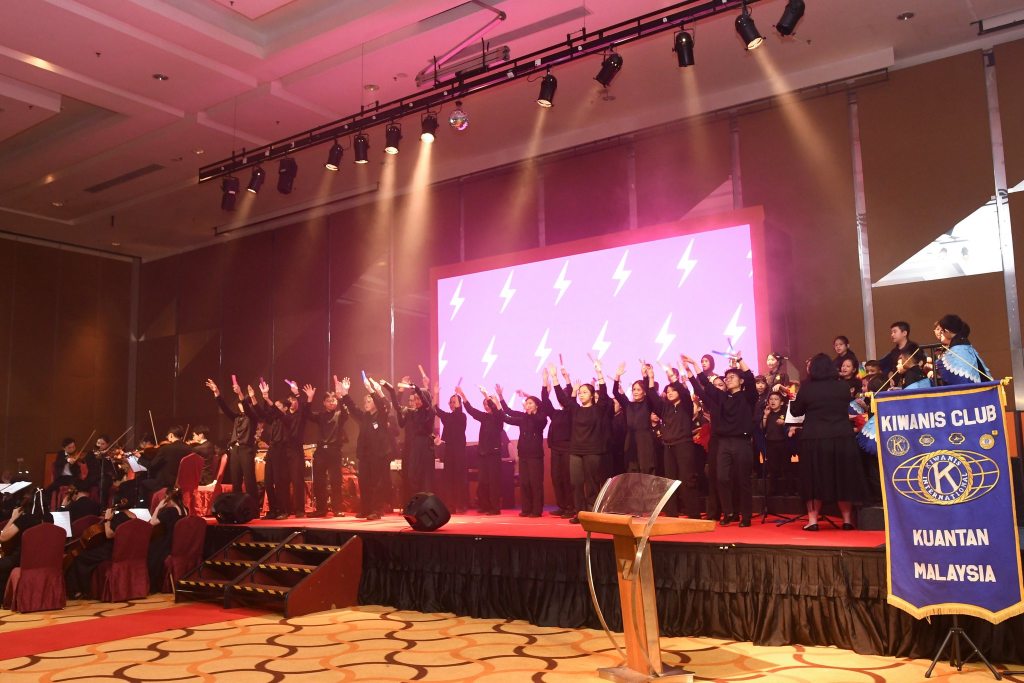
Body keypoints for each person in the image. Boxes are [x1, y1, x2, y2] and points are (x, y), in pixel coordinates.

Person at [789, 353, 870, 531]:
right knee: (843, 477)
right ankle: (847, 520)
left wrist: (793, 399)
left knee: (814, 479)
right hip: (842, 437)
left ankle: (813, 521)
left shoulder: (808, 388)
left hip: (815, 438)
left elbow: (796, 411)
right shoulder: (842, 386)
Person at [686, 352, 757, 527]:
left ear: (740, 381)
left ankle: (746, 516)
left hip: (742, 442)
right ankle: (729, 512)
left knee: (743, 480)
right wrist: (695, 365)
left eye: (732, 377)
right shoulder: (722, 397)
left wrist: (739, 360)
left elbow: (749, 378)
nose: (728, 379)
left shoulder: (748, 397)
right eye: (727, 378)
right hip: (724, 443)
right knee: (722, 478)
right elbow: (705, 385)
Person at [555, 358, 614, 524]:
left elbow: (604, 394)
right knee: (576, 483)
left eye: (585, 392)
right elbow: (563, 399)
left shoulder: (598, 409)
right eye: (580, 392)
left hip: (593, 451)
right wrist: (554, 378)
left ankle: (592, 513)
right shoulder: (575, 409)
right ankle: (580, 513)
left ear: (592, 395)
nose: (581, 394)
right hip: (576, 451)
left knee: (592, 484)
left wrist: (599, 373)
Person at [339, 376, 393, 520]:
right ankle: (366, 509)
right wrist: (345, 394)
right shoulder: (364, 417)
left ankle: (376, 510)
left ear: (375, 402)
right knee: (364, 483)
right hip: (365, 455)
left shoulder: (381, 416)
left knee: (377, 484)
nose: (366, 404)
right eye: (365, 401)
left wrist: (371, 390)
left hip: (378, 455)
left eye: (369, 401)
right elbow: (353, 408)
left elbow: (383, 405)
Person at [651, 361, 697, 518]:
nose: (670, 393)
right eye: (668, 391)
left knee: (687, 478)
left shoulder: (686, 405)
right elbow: (652, 396)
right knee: (670, 481)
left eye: (673, 390)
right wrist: (650, 377)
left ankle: (693, 512)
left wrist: (671, 374)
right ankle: (672, 513)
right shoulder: (665, 408)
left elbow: (684, 391)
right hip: (668, 446)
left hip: (684, 445)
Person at [496, 384, 549, 518]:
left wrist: (526, 395)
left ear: (537, 406)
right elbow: (507, 414)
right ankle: (526, 509)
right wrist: (499, 399)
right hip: (523, 454)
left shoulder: (541, 418)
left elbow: (539, 416)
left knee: (535, 483)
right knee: (524, 482)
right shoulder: (523, 417)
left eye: (530, 403)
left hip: (535, 455)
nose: (527, 405)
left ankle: (536, 510)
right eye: (526, 403)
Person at [256, 380, 306, 519]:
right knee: (278, 481)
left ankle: (298, 509)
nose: (292, 402)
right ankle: (282, 509)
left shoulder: (292, 416)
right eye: (290, 400)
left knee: (296, 480)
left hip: (294, 450)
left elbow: (303, 408)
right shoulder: (278, 418)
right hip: (281, 451)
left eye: (293, 400)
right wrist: (262, 398)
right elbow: (266, 414)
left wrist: (297, 393)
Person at [66, 497, 135, 598]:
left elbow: (109, 534)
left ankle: (78, 591)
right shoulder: (134, 517)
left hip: (112, 551)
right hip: (125, 551)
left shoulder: (120, 517)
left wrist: (107, 519)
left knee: (80, 558)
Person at [384, 374, 435, 500]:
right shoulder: (412, 412)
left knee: (426, 481)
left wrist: (417, 388)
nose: (416, 401)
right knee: (412, 477)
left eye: (419, 399)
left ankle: (426, 505)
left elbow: (426, 403)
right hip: (415, 448)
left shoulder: (430, 411)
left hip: (425, 448)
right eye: (415, 399)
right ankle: (415, 503)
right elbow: (397, 407)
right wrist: (391, 390)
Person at [456, 384, 504, 515]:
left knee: (493, 482)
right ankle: (485, 506)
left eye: (488, 404)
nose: (486, 406)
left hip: (493, 454)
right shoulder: (484, 417)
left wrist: (486, 395)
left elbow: (497, 411)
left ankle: (495, 508)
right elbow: (471, 410)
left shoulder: (499, 417)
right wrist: (463, 395)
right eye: (485, 404)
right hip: (483, 454)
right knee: (483, 482)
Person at [207, 378, 259, 499]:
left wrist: (240, 393)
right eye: (240, 405)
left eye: (243, 404)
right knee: (236, 480)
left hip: (246, 450)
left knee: (249, 480)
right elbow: (225, 409)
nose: (241, 406)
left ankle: (253, 506)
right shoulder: (237, 417)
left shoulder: (253, 417)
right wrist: (217, 393)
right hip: (235, 450)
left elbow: (247, 409)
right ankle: (237, 504)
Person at [303, 379, 348, 517]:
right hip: (321, 451)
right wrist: (309, 399)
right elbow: (306, 414)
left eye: (333, 400)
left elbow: (346, 412)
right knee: (319, 481)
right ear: (324, 402)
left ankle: (337, 509)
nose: (331, 402)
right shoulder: (320, 415)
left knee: (336, 481)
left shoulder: (340, 414)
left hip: (334, 450)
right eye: (328, 400)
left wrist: (340, 396)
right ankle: (321, 509)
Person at [0, 489, 54, 593]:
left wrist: (13, 518)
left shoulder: (26, 519)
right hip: (42, 559)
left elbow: (3, 537)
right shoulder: (49, 518)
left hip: (21, 560)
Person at [611, 363, 658, 475]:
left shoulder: (647, 404)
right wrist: (617, 376)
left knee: (646, 468)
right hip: (630, 439)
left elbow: (650, 393)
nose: (635, 392)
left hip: (644, 440)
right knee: (632, 469)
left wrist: (645, 376)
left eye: (638, 389)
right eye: (634, 389)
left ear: (644, 392)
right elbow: (615, 392)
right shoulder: (628, 405)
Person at [541, 366, 574, 518]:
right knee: (557, 478)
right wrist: (544, 382)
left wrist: (564, 379)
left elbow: (567, 398)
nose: (562, 401)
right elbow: (545, 402)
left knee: (567, 478)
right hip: (555, 449)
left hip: (568, 449)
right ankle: (562, 506)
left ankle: (571, 507)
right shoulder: (555, 413)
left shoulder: (572, 412)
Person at [434, 384, 468, 514]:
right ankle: (451, 505)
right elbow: (436, 409)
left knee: (460, 478)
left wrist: (460, 395)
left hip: (459, 451)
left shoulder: (462, 416)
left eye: (454, 402)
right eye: (451, 402)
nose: (452, 404)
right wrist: (436, 393)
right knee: (449, 478)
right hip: (449, 451)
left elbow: (458, 412)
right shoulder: (447, 416)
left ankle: (461, 505)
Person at [933, 314, 991, 385]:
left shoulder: (958, 350)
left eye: (942, 331)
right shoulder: (966, 347)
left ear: (947, 331)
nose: (940, 333)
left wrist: (935, 366)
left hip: (969, 390)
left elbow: (945, 370)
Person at [147, 487, 185, 592]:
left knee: (151, 549)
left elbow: (152, 523)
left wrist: (158, 508)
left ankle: (152, 585)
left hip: (169, 544)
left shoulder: (170, 511)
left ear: (168, 498)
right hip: (179, 544)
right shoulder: (185, 509)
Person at [138, 427, 191, 499]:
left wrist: (140, 458)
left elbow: (151, 466)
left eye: (168, 436)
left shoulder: (166, 449)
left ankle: (146, 505)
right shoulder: (190, 449)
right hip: (184, 483)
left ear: (171, 435)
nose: (167, 438)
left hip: (166, 483)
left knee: (143, 484)